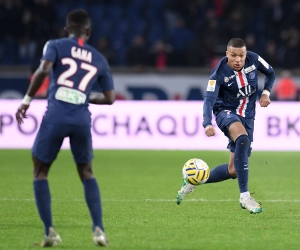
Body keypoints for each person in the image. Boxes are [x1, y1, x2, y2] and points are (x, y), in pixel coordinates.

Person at [15, 9, 115, 247]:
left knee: (40, 171)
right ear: (88, 32)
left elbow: (44, 70)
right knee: (87, 173)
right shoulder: (99, 58)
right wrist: (81, 95)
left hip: (56, 115)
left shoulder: (55, 45)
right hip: (81, 119)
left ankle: (50, 232)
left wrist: (27, 100)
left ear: (65, 29)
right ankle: (98, 230)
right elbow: (110, 98)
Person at [177, 38, 276, 214]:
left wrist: (266, 92)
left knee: (234, 170)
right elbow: (209, 101)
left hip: (248, 117)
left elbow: (271, 73)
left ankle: (194, 180)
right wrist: (207, 123)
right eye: (233, 56)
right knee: (243, 138)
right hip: (225, 112)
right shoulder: (218, 75)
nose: (238, 59)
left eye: (241, 55)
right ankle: (245, 196)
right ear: (227, 54)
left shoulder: (253, 59)